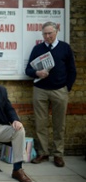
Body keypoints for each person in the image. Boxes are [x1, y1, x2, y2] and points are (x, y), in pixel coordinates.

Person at [25, 21, 76, 167]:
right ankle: (43, 153)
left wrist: (67, 88)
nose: (47, 36)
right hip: (40, 90)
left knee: (59, 124)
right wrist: (37, 73)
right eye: (45, 34)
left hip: (60, 90)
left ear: (56, 32)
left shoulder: (65, 48)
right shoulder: (37, 49)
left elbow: (72, 70)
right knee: (41, 123)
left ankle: (58, 155)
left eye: (50, 33)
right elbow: (28, 70)